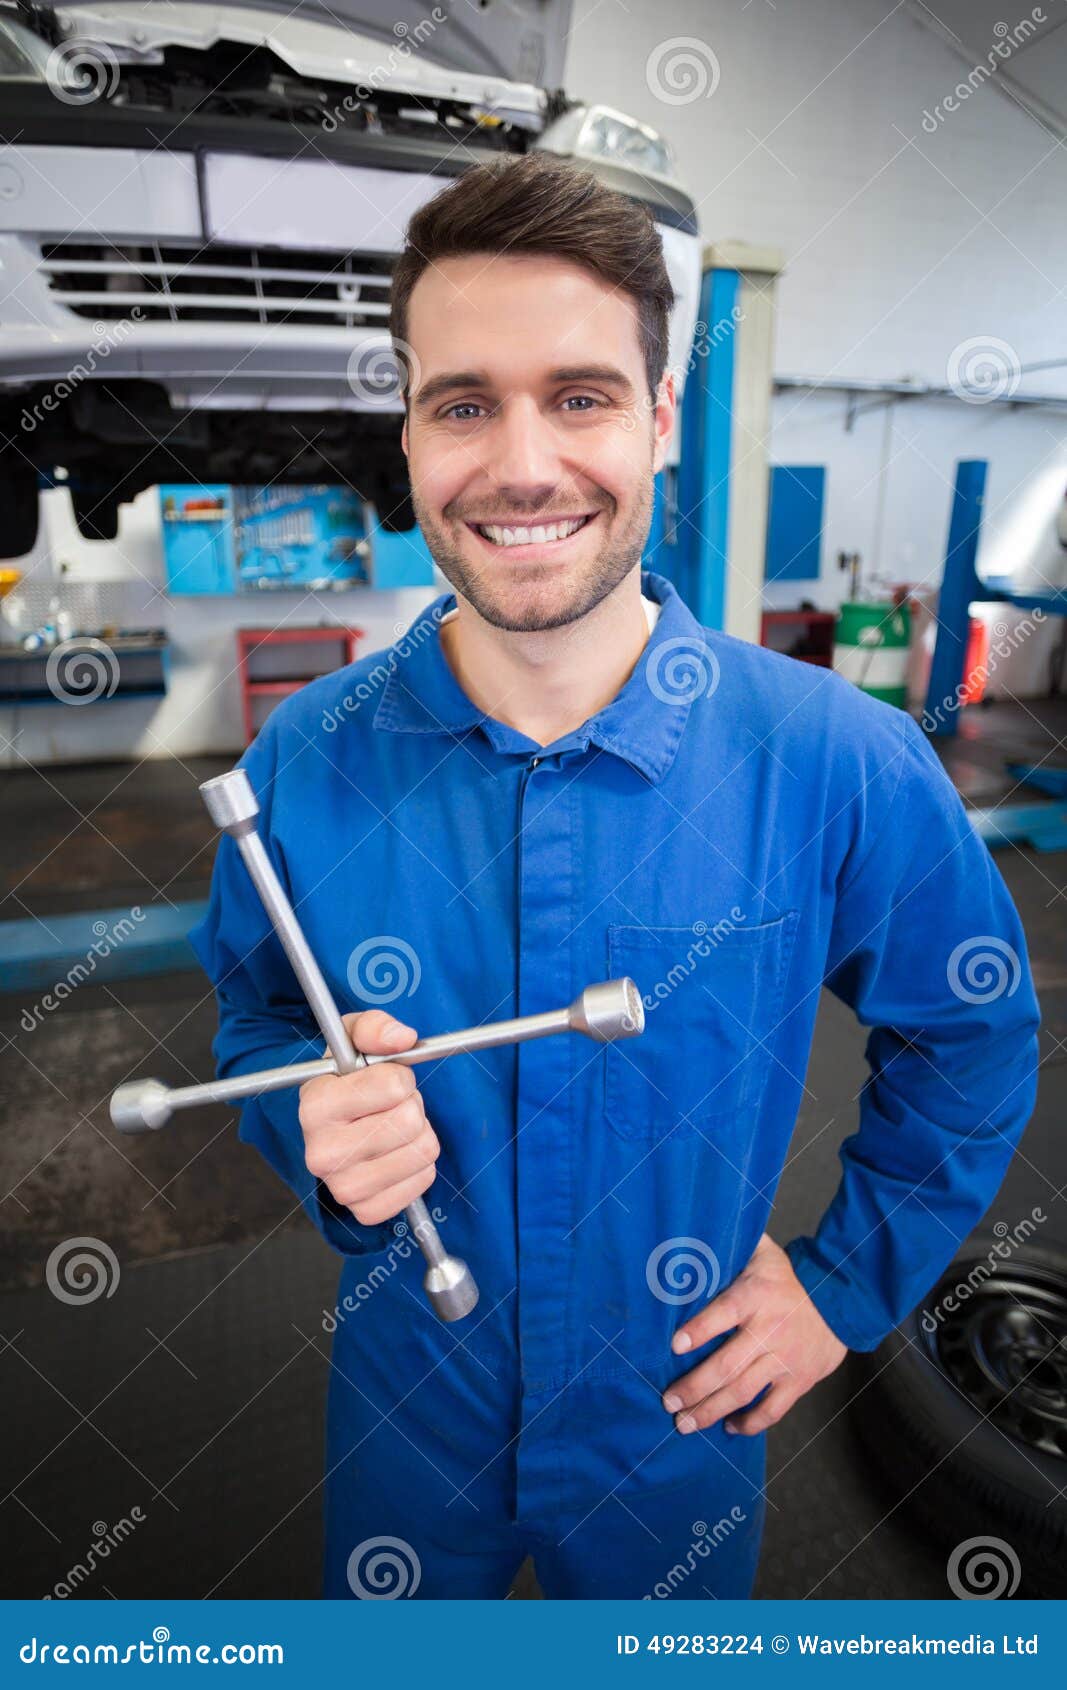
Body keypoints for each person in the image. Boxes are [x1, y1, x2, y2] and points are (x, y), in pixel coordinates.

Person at [190, 153, 1040, 1600]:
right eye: (464, 402)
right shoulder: (306, 763)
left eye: (579, 396)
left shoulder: (834, 757)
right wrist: (307, 1116)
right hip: (410, 1402)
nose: (522, 464)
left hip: (680, 1411)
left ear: (658, 422)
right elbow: (256, 1018)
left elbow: (971, 1033)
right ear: (408, 432)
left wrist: (840, 1288)